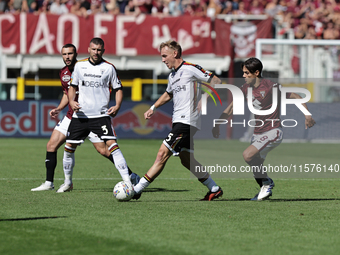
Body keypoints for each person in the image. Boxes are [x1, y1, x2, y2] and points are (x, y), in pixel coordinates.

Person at [31, 43, 139, 192]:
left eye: (70, 54)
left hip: (95, 115)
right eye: (64, 54)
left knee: (103, 150)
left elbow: (111, 87)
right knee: (52, 145)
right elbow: (66, 93)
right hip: (74, 116)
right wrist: (59, 108)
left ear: (76, 54)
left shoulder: (84, 67)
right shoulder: (63, 73)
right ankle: (49, 183)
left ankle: (130, 175)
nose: (67, 57)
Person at [212, 57, 316, 201]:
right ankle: (264, 189)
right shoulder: (245, 89)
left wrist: (307, 115)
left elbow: (295, 95)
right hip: (258, 133)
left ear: (256, 72)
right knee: (256, 166)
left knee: (247, 155)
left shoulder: (271, 87)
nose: (243, 76)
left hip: (273, 131)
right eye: (243, 73)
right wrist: (218, 123)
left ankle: (267, 182)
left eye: (247, 73)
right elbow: (231, 108)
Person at [132, 40, 223, 201]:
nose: (162, 59)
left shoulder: (190, 68)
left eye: (164, 56)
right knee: (186, 159)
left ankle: (137, 189)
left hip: (187, 120)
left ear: (175, 53)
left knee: (162, 154)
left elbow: (216, 81)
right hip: (179, 120)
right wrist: (153, 107)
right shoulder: (172, 75)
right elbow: (168, 94)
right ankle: (214, 188)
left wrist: (205, 97)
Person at [63, 37, 136, 192]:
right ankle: (67, 183)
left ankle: (128, 182)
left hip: (101, 116)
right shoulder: (80, 66)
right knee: (69, 148)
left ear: (103, 51)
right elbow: (72, 86)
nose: (96, 52)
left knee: (113, 147)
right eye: (93, 49)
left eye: (99, 50)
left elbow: (118, 89)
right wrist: (71, 101)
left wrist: (117, 105)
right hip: (80, 116)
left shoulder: (109, 68)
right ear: (88, 49)